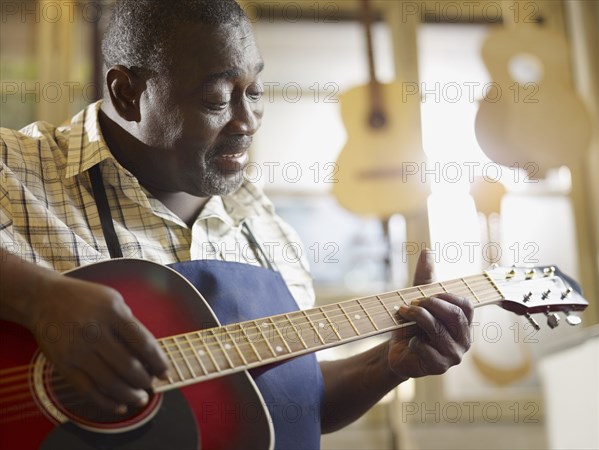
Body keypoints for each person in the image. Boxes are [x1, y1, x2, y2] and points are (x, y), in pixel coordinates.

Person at [0, 0, 473, 448]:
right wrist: (37, 297)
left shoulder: (266, 230)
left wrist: (388, 366)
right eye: (216, 98)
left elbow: (290, 397)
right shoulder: (15, 169)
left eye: (256, 92)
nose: (247, 121)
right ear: (127, 93)